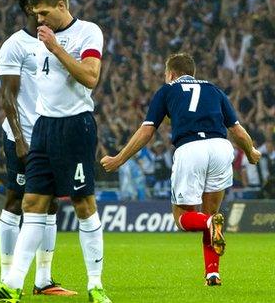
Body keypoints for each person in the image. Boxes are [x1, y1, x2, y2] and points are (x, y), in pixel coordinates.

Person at [0, 0, 110, 303]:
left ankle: (95, 285)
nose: (40, 21)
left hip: (76, 127)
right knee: (32, 205)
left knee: (83, 205)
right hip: (44, 130)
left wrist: (57, 48)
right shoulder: (34, 39)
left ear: (62, 6)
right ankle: (12, 285)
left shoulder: (87, 33)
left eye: (45, 14)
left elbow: (91, 77)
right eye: (36, 16)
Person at [101, 53, 261, 286]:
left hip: (190, 149)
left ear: (171, 74)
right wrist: (251, 152)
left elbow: (147, 131)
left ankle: (208, 225)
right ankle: (212, 274)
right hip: (220, 147)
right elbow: (237, 131)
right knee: (211, 213)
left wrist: (119, 158)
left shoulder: (167, 90)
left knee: (183, 218)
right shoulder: (214, 90)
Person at [0, 0, 75, 297]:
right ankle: (6, 276)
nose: (46, 13)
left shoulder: (55, 42)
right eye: (40, 7)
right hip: (23, 137)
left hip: (52, 136)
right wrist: (18, 138)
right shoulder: (14, 46)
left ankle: (44, 280)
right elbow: (7, 95)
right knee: (15, 201)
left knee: (51, 204)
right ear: (30, 9)